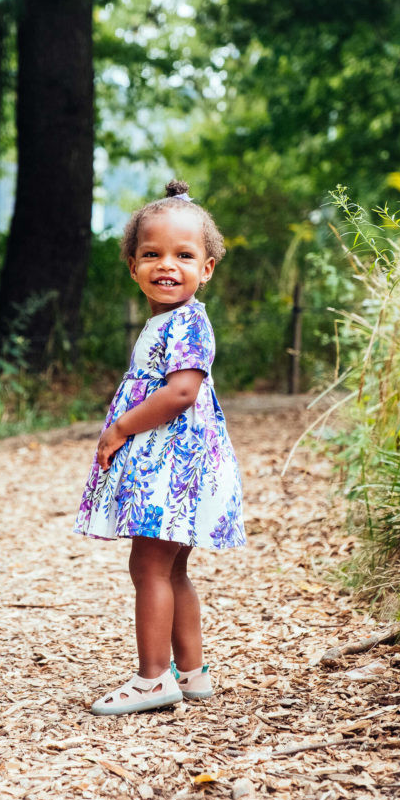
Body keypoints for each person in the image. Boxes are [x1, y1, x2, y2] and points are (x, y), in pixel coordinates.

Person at [74, 179, 246, 715]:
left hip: (174, 466)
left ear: (207, 268)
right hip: (172, 464)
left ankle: (154, 680)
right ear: (132, 265)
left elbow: (181, 392)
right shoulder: (168, 320)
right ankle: (191, 673)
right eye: (152, 254)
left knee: (149, 568)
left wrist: (121, 427)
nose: (166, 265)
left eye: (184, 255)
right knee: (170, 569)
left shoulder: (189, 322)